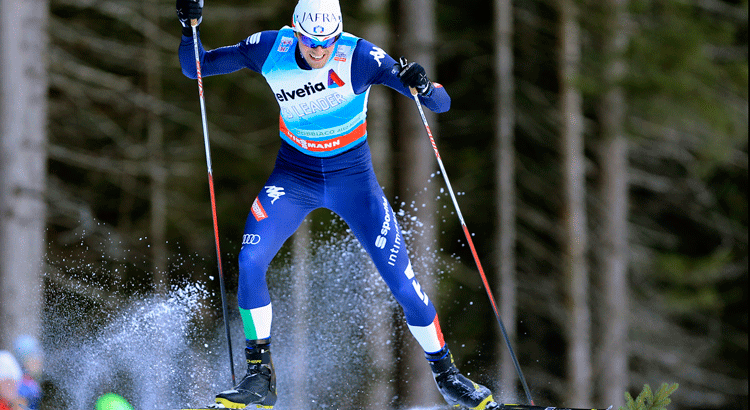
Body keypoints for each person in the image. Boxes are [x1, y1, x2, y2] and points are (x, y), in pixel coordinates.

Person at [176, 0, 498, 408]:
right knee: (250, 260)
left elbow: (440, 103)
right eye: (310, 41)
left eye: (326, 42)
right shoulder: (269, 49)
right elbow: (196, 68)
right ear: (295, 31)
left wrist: (423, 82)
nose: (318, 51)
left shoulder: (360, 57)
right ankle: (260, 376)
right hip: (295, 177)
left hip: (354, 183)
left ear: (338, 34)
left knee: (403, 284)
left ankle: (447, 374)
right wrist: (191, 28)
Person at [13, 336, 43, 410]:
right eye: (34, 358)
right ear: (23, 361)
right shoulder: (22, 385)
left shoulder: (30, 382)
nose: (39, 361)